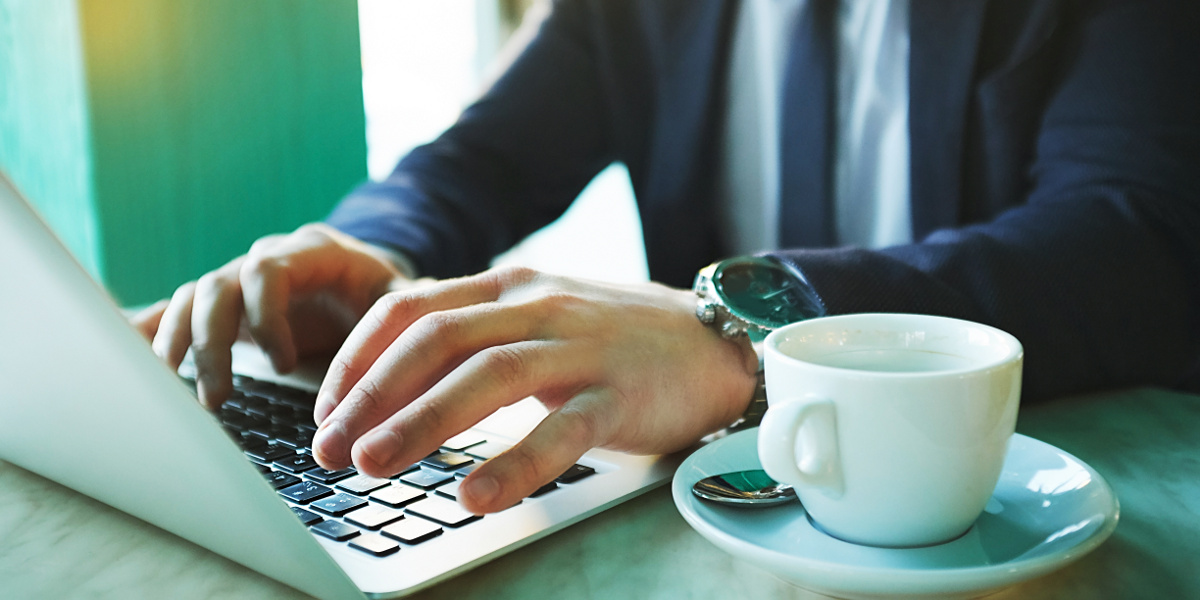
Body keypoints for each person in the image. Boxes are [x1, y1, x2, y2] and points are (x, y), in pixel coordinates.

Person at [133, 0, 1200, 516]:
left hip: (1026, 512)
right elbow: (484, 155)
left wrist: (748, 335)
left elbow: (1130, 237)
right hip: (732, 511)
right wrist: (373, 244)